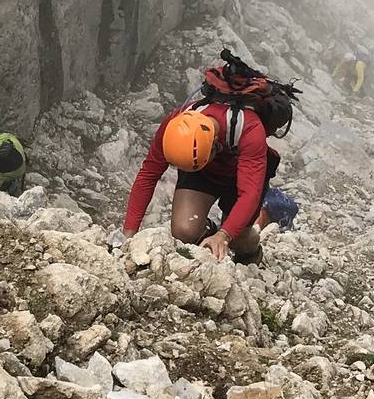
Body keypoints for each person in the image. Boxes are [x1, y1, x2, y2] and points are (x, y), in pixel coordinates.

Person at [124, 51, 299, 262]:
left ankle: (252, 247)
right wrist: (129, 234)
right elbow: (148, 174)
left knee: (239, 240)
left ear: (215, 145)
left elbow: (249, 193)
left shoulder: (250, 129)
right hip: (205, 173)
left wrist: (224, 236)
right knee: (184, 231)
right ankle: (209, 231)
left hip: (240, 177)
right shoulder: (175, 123)